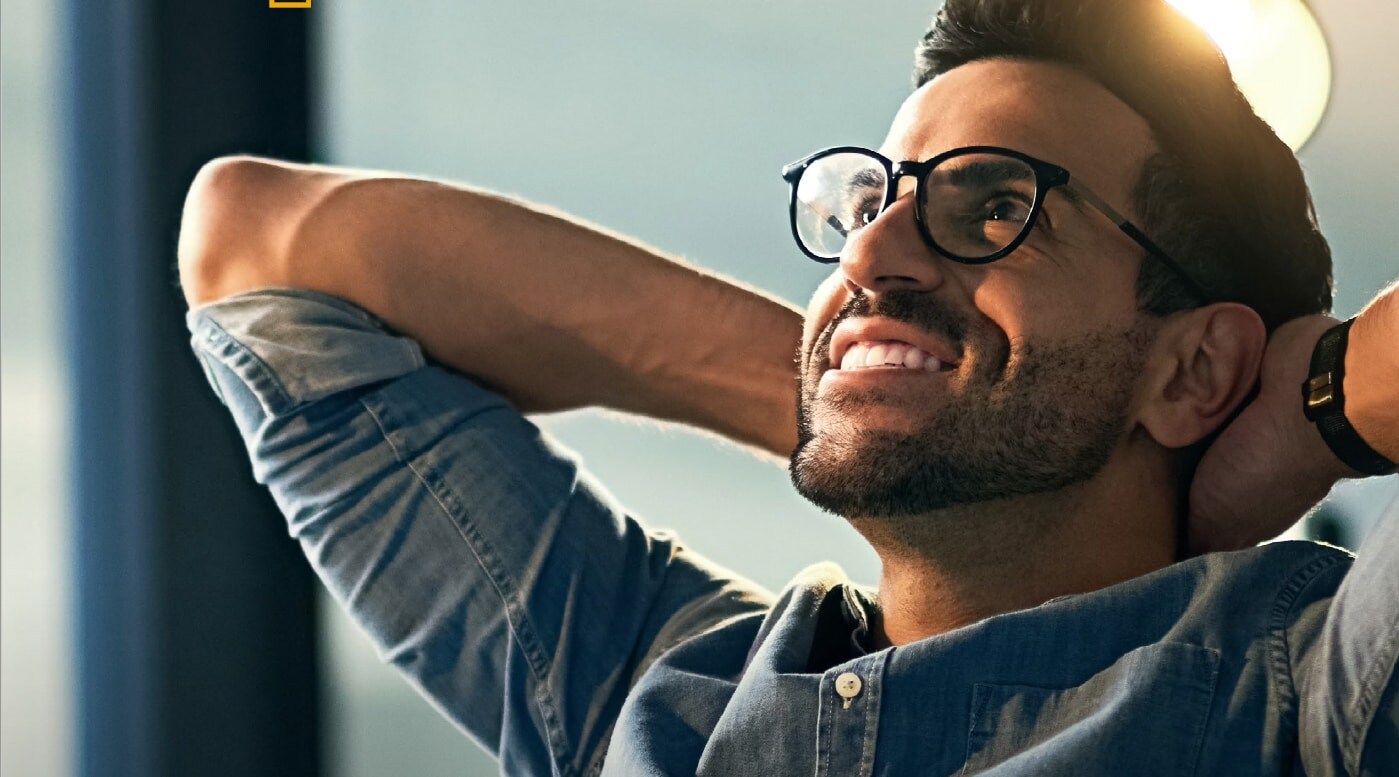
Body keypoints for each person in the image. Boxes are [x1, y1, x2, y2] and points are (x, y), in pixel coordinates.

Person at [177, 0, 1398, 773]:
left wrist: (1321, 405)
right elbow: (265, 249)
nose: (865, 255)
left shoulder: (1308, 694)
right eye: (870, 204)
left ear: (1192, 370)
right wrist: (880, 393)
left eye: (995, 207)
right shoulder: (657, 691)